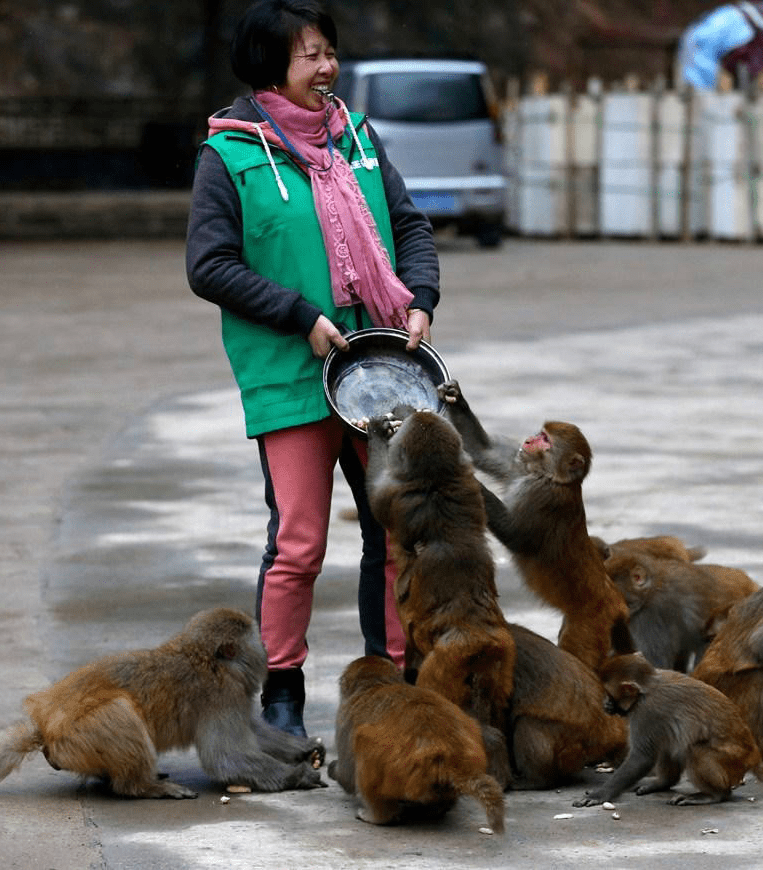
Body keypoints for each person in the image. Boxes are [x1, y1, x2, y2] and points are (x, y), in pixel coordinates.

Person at [185, 0, 440, 738]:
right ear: (271, 66)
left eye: (330, 52)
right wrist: (303, 316)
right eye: (310, 55)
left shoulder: (359, 140)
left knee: (396, 533)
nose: (328, 68)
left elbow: (412, 226)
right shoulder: (228, 155)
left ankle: (393, 681)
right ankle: (284, 696)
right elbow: (210, 266)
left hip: (382, 371)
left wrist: (418, 300)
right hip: (292, 371)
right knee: (299, 543)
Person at [676, 1, 763, 90]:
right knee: (705, 100)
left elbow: (734, 64)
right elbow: (760, 70)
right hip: (708, 38)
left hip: (704, 33)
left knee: (704, 100)